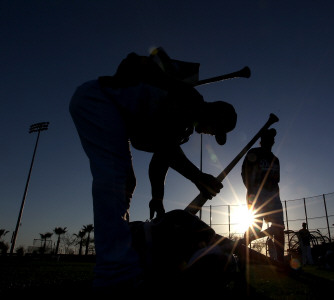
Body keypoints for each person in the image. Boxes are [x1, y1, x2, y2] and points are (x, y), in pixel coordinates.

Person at [69, 47, 237, 290]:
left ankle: (121, 263)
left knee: (126, 182)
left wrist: (157, 197)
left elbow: (160, 159)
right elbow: (168, 148)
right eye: (216, 130)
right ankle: (114, 273)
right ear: (215, 114)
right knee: (115, 178)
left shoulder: (186, 123)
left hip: (110, 110)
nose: (212, 134)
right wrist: (198, 177)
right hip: (98, 101)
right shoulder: (189, 102)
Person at [240, 128, 285, 264]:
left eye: (272, 138)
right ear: (262, 140)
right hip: (257, 196)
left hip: (274, 197)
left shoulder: (275, 159)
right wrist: (253, 191)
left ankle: (281, 261)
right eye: (267, 138)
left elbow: (277, 180)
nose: (271, 140)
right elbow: (244, 173)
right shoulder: (254, 153)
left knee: (279, 228)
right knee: (256, 227)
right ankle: (242, 248)